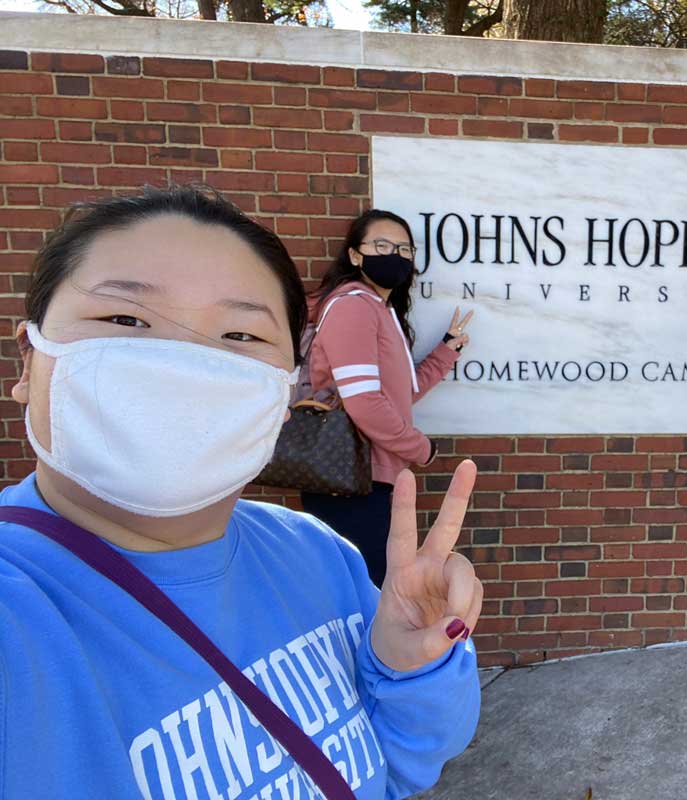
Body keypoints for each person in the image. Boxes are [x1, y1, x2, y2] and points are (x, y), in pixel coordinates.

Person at [0, 186, 483, 797]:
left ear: (281, 390)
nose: (182, 365)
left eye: (239, 337)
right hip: (362, 477)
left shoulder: (313, 554)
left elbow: (392, 772)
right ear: (28, 360)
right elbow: (367, 401)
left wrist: (407, 666)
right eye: (125, 319)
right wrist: (421, 451)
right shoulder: (19, 618)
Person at [301, 210, 473, 585]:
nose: (394, 255)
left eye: (403, 248)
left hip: (373, 477)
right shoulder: (352, 306)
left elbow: (401, 395)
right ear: (354, 255)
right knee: (367, 595)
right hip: (348, 478)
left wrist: (446, 350)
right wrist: (419, 448)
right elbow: (364, 403)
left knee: (376, 593)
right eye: (381, 245)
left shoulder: (380, 311)